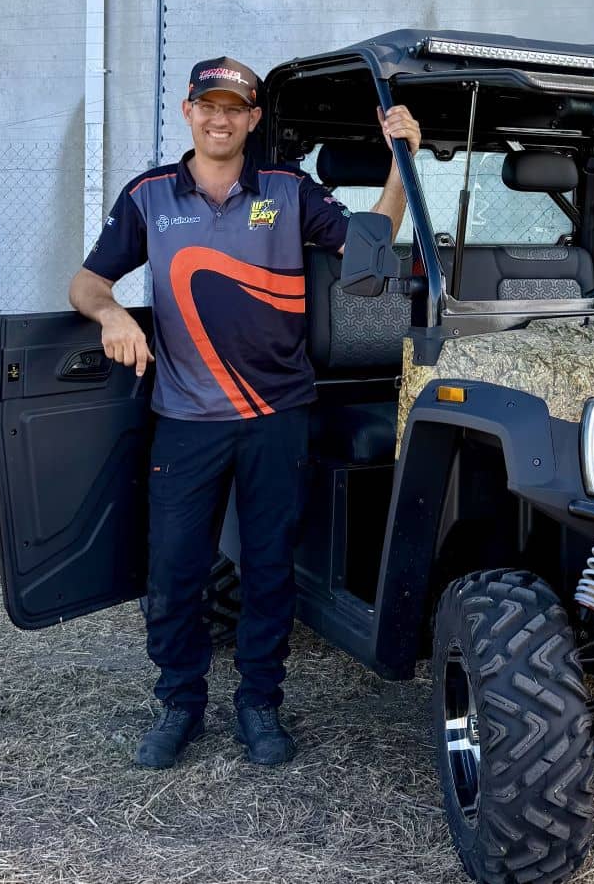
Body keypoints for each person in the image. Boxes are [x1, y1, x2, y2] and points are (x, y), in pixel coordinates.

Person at [69, 56, 420, 769]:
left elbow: (370, 253)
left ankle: (259, 702)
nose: (220, 118)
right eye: (209, 106)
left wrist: (400, 165)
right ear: (188, 112)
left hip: (276, 418)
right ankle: (179, 702)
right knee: (173, 570)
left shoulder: (290, 191)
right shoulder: (149, 196)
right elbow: (86, 280)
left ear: (254, 119)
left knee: (267, 571)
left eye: (235, 107)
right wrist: (110, 314)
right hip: (187, 421)